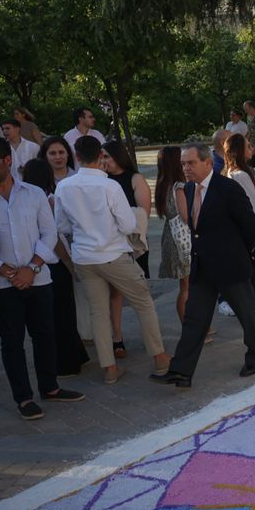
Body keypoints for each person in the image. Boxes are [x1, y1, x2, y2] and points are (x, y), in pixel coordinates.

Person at [0, 136, 85, 420]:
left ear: (7, 160)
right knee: (12, 341)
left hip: (38, 278)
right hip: (0, 284)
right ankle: (23, 397)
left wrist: (32, 268)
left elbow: (49, 233)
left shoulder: (34, 194)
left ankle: (50, 387)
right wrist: (6, 271)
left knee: (45, 335)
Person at [54, 135, 172, 385]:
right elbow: (128, 224)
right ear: (100, 156)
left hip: (83, 257)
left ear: (76, 156)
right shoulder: (109, 186)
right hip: (112, 254)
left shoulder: (63, 187)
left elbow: (61, 226)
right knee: (143, 302)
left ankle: (109, 368)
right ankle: (160, 358)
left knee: (98, 312)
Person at [152, 142, 255, 386]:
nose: (186, 168)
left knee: (246, 315)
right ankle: (181, 371)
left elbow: (249, 224)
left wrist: (243, 254)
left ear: (207, 163)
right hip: (202, 265)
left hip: (230, 265)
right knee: (194, 319)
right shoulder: (189, 189)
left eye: (191, 163)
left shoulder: (227, 188)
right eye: (183, 164)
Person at [21, 158, 90, 377]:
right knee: (64, 314)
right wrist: (69, 263)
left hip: (34, 262)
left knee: (50, 315)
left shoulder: (23, 201)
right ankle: (68, 362)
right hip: (54, 263)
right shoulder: (47, 199)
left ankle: (74, 355)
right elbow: (55, 238)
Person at [100, 139, 154, 357]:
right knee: (115, 293)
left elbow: (144, 213)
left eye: (106, 156)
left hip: (133, 242)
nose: (103, 161)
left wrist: (118, 219)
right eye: (101, 157)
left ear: (118, 156)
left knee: (141, 291)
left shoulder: (135, 178)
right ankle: (117, 338)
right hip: (111, 244)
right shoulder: (101, 180)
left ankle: (151, 337)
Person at [220, 133, 255, 325]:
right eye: (248, 146)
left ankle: (253, 305)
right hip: (253, 227)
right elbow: (254, 203)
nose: (252, 149)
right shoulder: (241, 175)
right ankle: (254, 311)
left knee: (252, 270)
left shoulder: (234, 172)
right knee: (252, 270)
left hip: (247, 227)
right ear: (239, 150)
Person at [154, 145, 193, 323]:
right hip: (183, 241)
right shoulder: (179, 186)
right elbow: (186, 216)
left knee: (185, 286)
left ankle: (192, 324)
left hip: (172, 237)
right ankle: (190, 325)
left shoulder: (163, 185)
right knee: (188, 287)